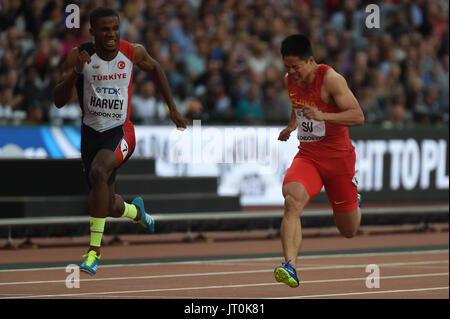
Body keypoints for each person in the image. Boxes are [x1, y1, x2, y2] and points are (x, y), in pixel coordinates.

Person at [53, 7, 186, 275]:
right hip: (91, 134)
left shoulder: (132, 51)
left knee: (99, 172)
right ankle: (136, 212)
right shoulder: (80, 56)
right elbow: (57, 101)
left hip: (121, 131)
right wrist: (76, 74)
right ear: (92, 32)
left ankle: (93, 251)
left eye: (115, 28)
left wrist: (172, 108)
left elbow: (157, 69)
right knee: (108, 204)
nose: (112, 34)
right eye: (105, 29)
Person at [274, 34, 364, 288]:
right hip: (309, 156)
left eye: (296, 67)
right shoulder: (289, 80)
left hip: (339, 161)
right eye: (287, 68)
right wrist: (291, 126)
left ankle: (354, 200)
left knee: (348, 230)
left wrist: (323, 116)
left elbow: (358, 117)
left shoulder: (332, 80)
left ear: (311, 61)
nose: (292, 73)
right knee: (292, 201)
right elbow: (297, 104)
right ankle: (289, 265)